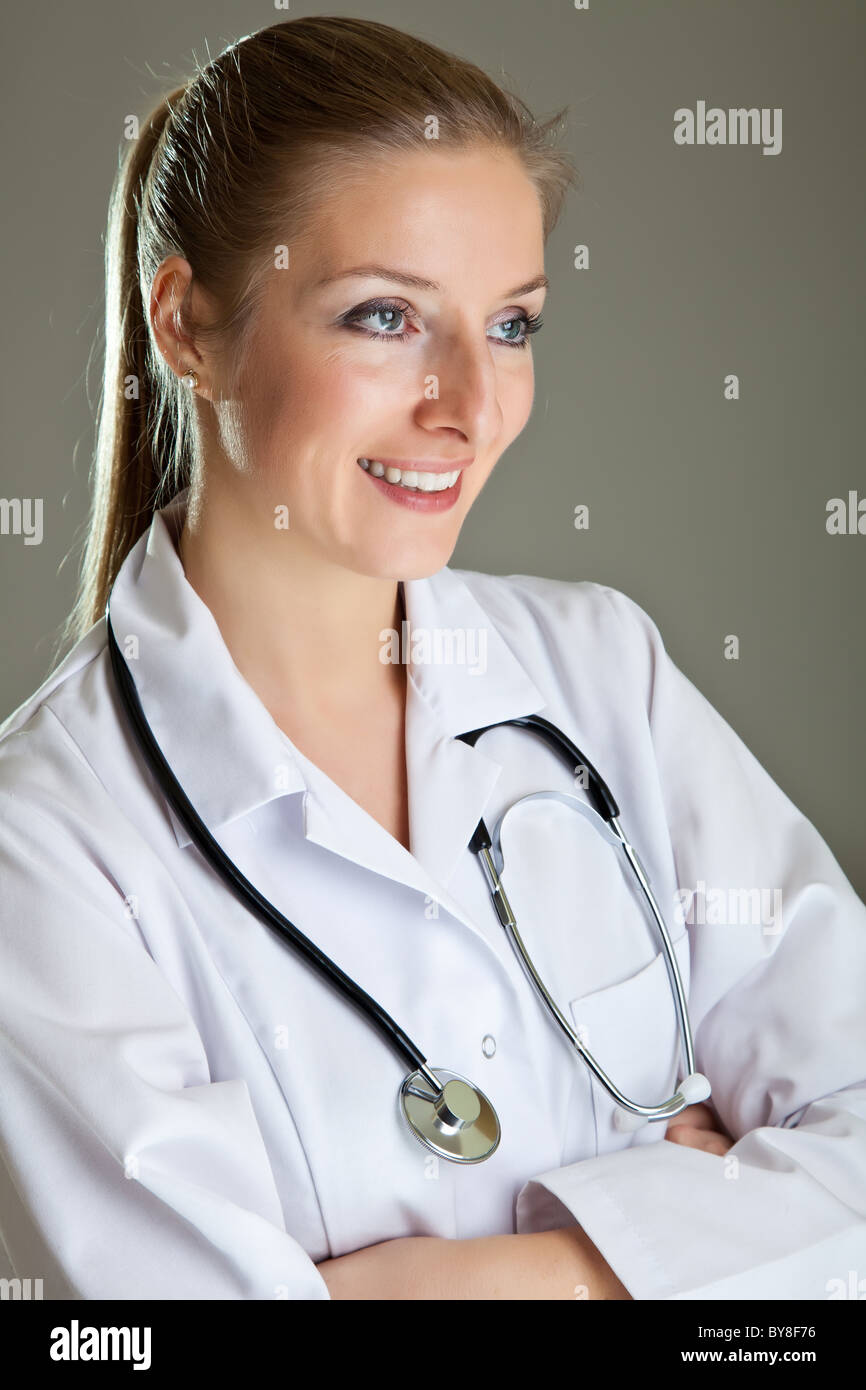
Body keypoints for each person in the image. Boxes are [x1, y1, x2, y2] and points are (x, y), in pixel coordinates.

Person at [0, 15, 863, 1302]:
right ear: (182, 322)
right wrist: (698, 1232)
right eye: (384, 315)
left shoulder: (597, 672)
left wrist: (525, 1275)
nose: (469, 402)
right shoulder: (45, 839)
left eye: (510, 325)